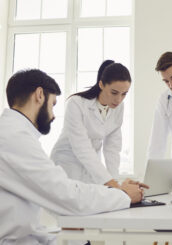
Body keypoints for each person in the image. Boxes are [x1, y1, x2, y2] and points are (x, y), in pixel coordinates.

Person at [0, 69, 145, 245]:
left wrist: (115, 186)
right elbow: (68, 195)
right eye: (53, 104)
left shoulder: (13, 133)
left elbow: (112, 149)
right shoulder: (14, 138)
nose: (53, 115)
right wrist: (122, 194)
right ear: (39, 95)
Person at [51, 60, 130, 187]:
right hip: (67, 163)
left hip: (91, 167)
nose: (119, 99)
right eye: (114, 93)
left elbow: (112, 149)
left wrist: (115, 182)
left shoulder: (118, 108)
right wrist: (111, 183)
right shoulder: (76, 104)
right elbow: (81, 147)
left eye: (124, 94)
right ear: (101, 85)